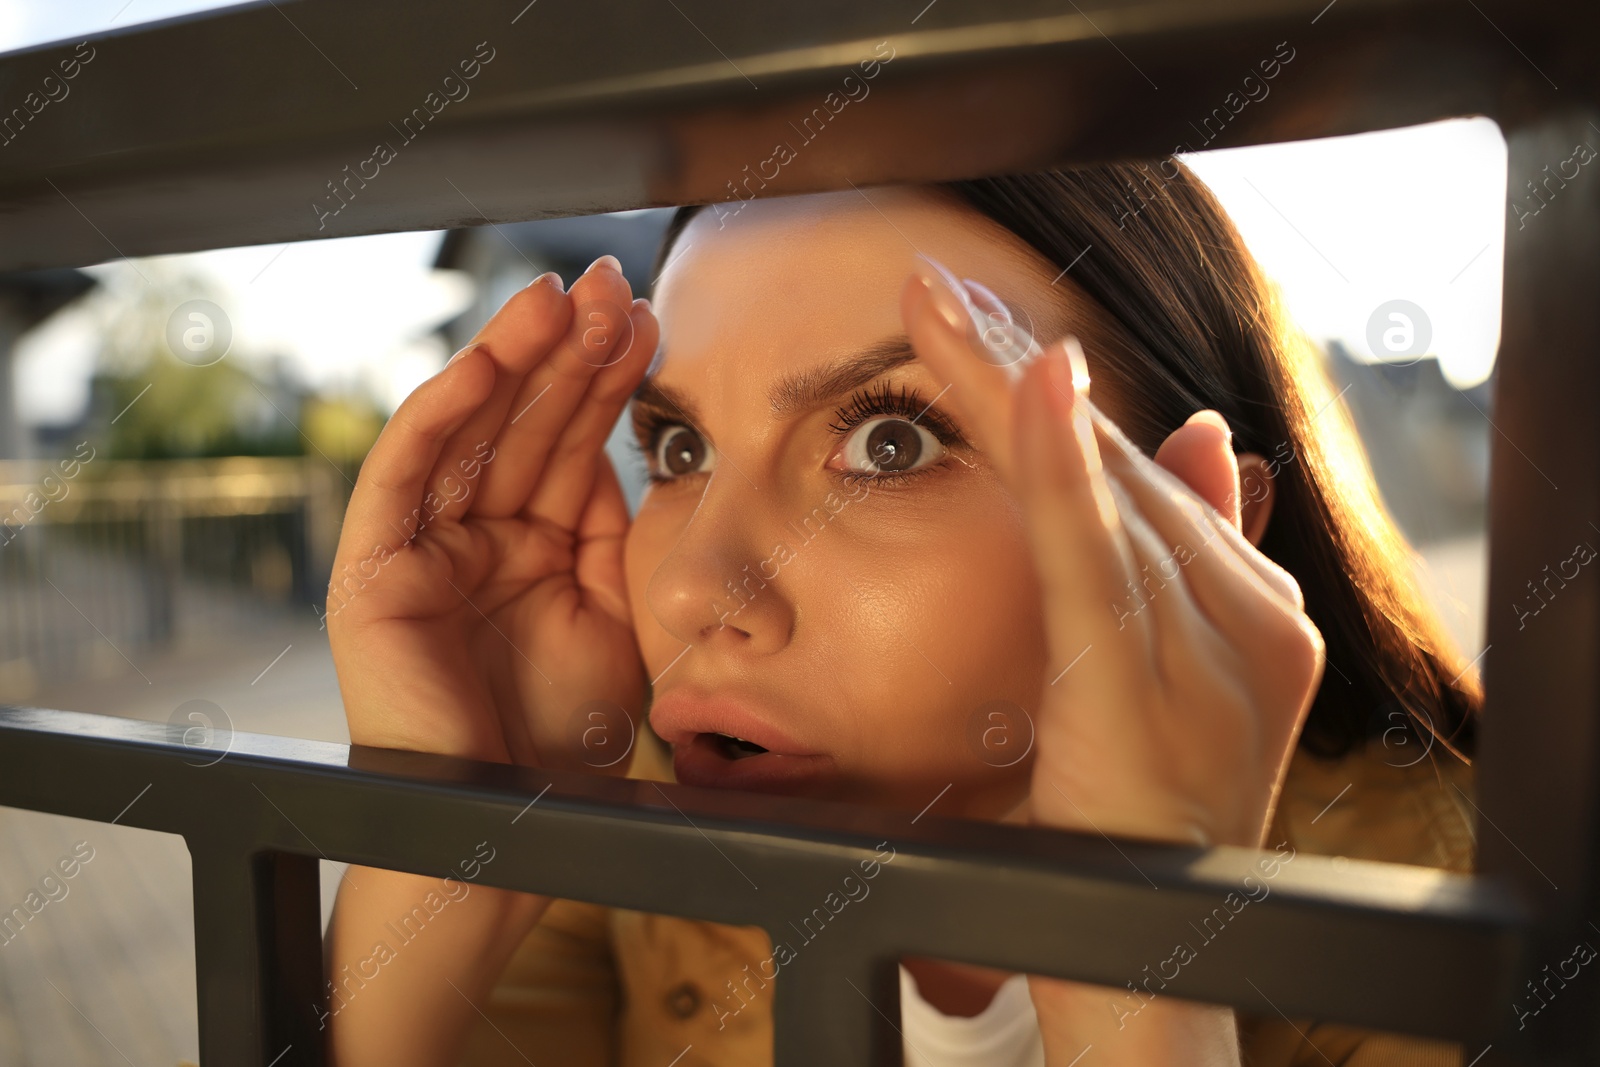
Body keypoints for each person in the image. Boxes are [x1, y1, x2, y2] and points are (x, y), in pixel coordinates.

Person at [322, 162, 1480, 1066]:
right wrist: (441, 845)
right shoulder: (628, 812)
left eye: (889, 439)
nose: (683, 590)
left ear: (1199, 530)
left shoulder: (1452, 918)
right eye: (678, 445)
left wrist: (1137, 962)